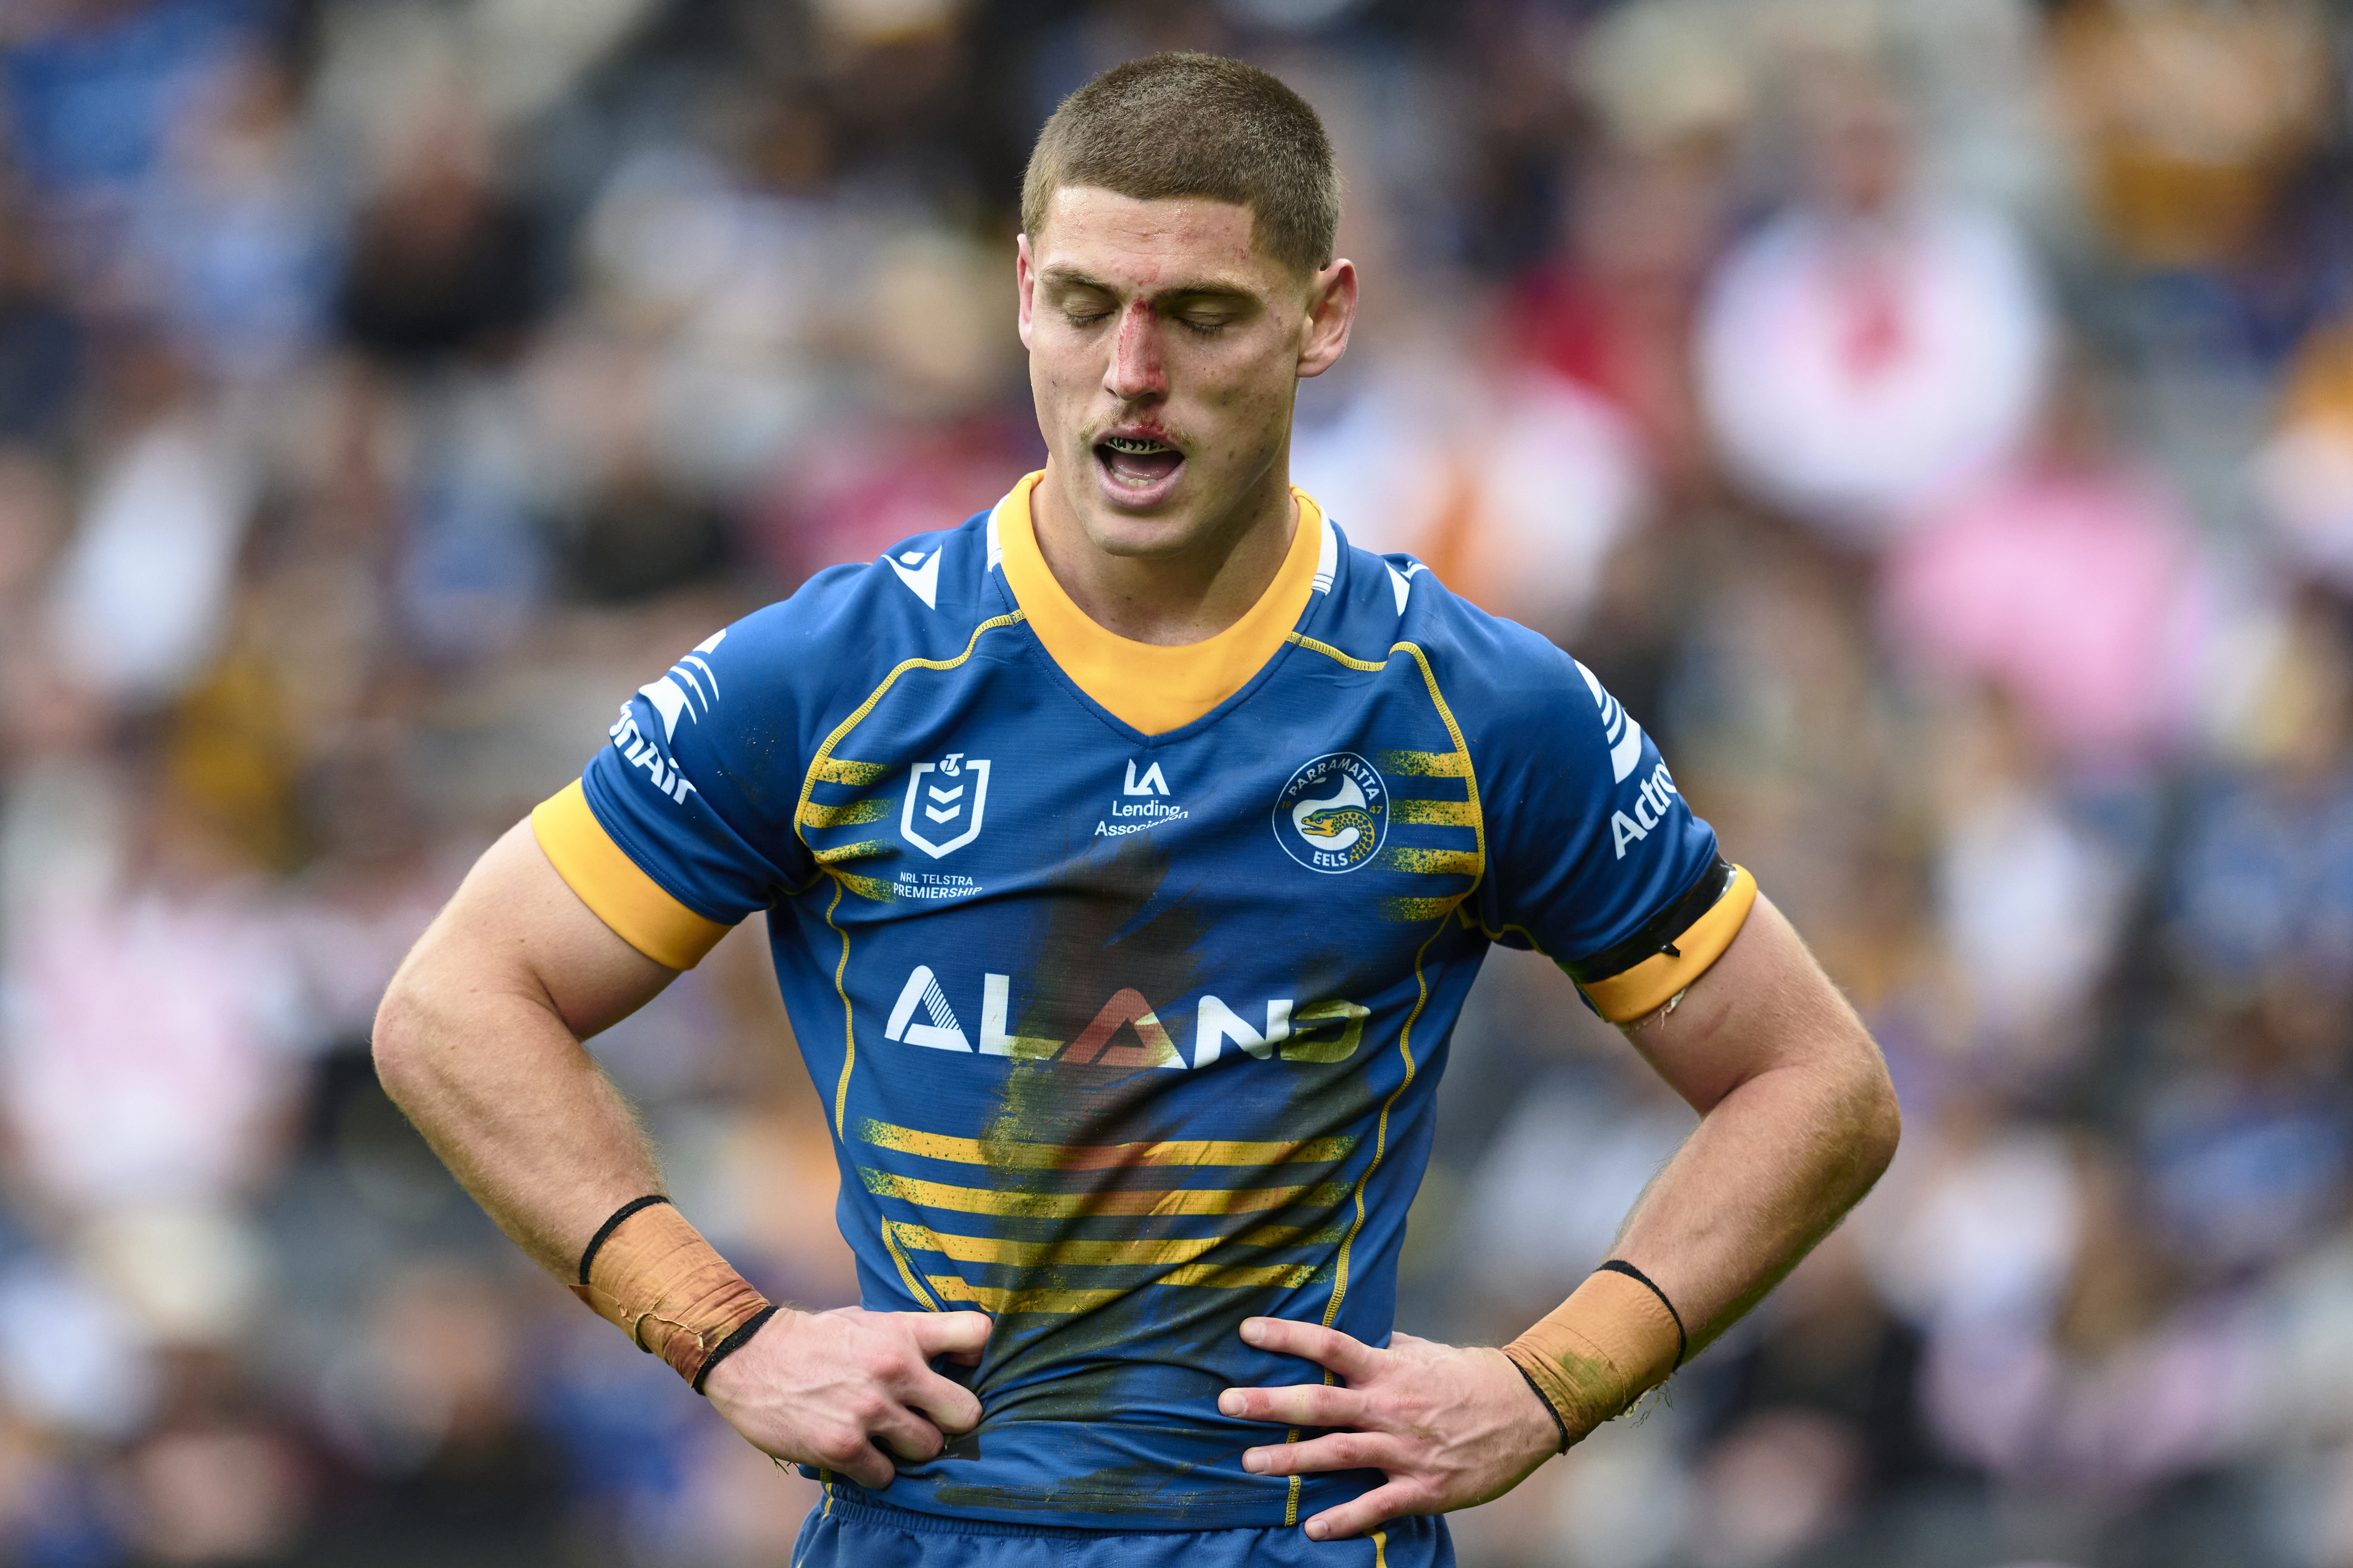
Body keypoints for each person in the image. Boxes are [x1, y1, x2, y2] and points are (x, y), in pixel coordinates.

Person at [373, 52, 1900, 1568]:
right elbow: (455, 1002)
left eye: (1203, 313)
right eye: (1090, 304)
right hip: (929, 1532)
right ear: (1023, 292)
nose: (1132, 374)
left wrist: (1546, 1382)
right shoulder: (835, 675)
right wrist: (723, 1333)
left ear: (1325, 316)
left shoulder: (1469, 706)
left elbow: (1814, 1081)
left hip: (1290, 1536)